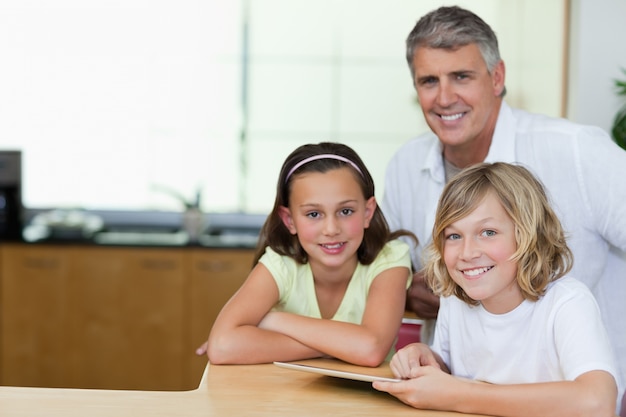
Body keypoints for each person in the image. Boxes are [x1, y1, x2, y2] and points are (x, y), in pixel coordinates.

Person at [381, 5, 626, 412]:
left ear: (497, 78)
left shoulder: (578, 151)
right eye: (428, 81)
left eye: (461, 76)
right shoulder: (406, 166)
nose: (444, 97)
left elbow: (594, 398)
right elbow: (393, 273)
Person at [374, 162, 619, 416]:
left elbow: (597, 402)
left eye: (488, 232)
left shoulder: (567, 303)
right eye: (454, 236)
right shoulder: (455, 300)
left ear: (528, 235)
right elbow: (451, 374)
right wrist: (426, 357)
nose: (467, 253)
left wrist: (457, 395)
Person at [196, 142, 416, 366]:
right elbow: (223, 346)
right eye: (313, 214)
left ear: (367, 212)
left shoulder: (390, 258)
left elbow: (370, 349)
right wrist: (341, 347)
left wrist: (274, 321)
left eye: (346, 211)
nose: (331, 229)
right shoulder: (280, 264)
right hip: (284, 397)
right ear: (290, 220)